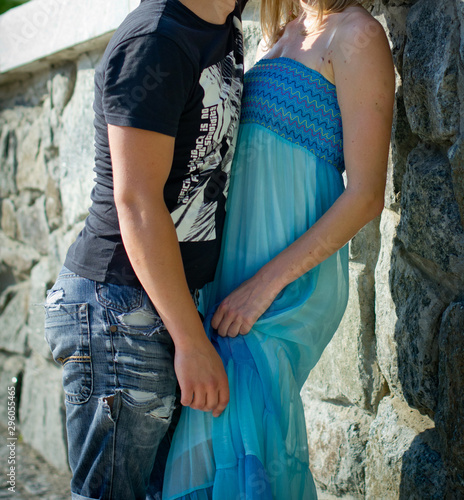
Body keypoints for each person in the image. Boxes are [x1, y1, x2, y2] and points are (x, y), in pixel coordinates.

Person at [162, 0, 395, 498]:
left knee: (241, 427)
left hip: (284, 286)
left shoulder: (357, 35)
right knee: (222, 439)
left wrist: (264, 286)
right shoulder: (273, 34)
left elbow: (367, 195)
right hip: (231, 279)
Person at [43, 1, 249, 499]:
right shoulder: (155, 40)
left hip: (160, 304)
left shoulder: (223, 24)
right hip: (120, 313)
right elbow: (135, 202)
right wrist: (191, 343)